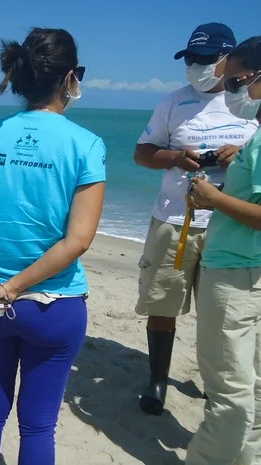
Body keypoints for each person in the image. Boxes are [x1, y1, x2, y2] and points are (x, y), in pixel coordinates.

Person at [0, 27, 106, 465]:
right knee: (38, 425)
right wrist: (18, 286)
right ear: (71, 78)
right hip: (54, 305)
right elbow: (78, 240)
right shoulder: (86, 144)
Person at [132, 22, 259, 416]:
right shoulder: (173, 102)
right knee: (162, 302)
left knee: (220, 311)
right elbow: (142, 153)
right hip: (173, 219)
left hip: (230, 228)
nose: (196, 65)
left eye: (205, 59)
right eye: (190, 58)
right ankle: (157, 380)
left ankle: (216, 383)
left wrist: (239, 152)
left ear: (228, 60)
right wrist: (175, 157)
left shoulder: (252, 104)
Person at [185, 36, 261, 465]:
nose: (230, 91)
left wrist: (213, 199)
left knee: (229, 394)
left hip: (234, 274)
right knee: (254, 389)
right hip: (251, 269)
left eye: (235, 81)